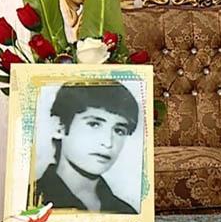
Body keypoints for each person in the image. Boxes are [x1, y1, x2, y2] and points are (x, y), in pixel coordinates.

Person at [32, 82, 140, 214]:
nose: (108, 143)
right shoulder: (29, 203)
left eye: (119, 130)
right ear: (60, 127)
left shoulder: (126, 212)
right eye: (94, 124)